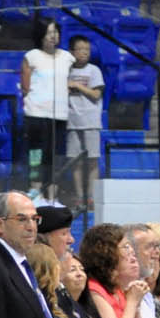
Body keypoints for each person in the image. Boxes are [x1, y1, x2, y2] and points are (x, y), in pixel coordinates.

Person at [20, 19, 73, 200]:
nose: (53, 36)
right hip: (36, 113)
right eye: (49, 32)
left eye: (55, 32)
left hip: (60, 114)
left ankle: (52, 195)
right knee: (36, 154)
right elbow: (25, 86)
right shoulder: (32, 56)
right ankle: (35, 188)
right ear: (41, 35)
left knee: (55, 156)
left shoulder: (67, 57)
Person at [64, 35, 105, 213]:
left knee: (92, 161)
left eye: (87, 50)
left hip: (91, 121)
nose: (84, 53)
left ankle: (91, 197)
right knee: (76, 162)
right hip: (72, 121)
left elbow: (96, 94)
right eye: (80, 49)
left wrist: (77, 86)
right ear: (72, 52)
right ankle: (79, 197)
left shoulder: (94, 70)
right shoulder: (66, 70)